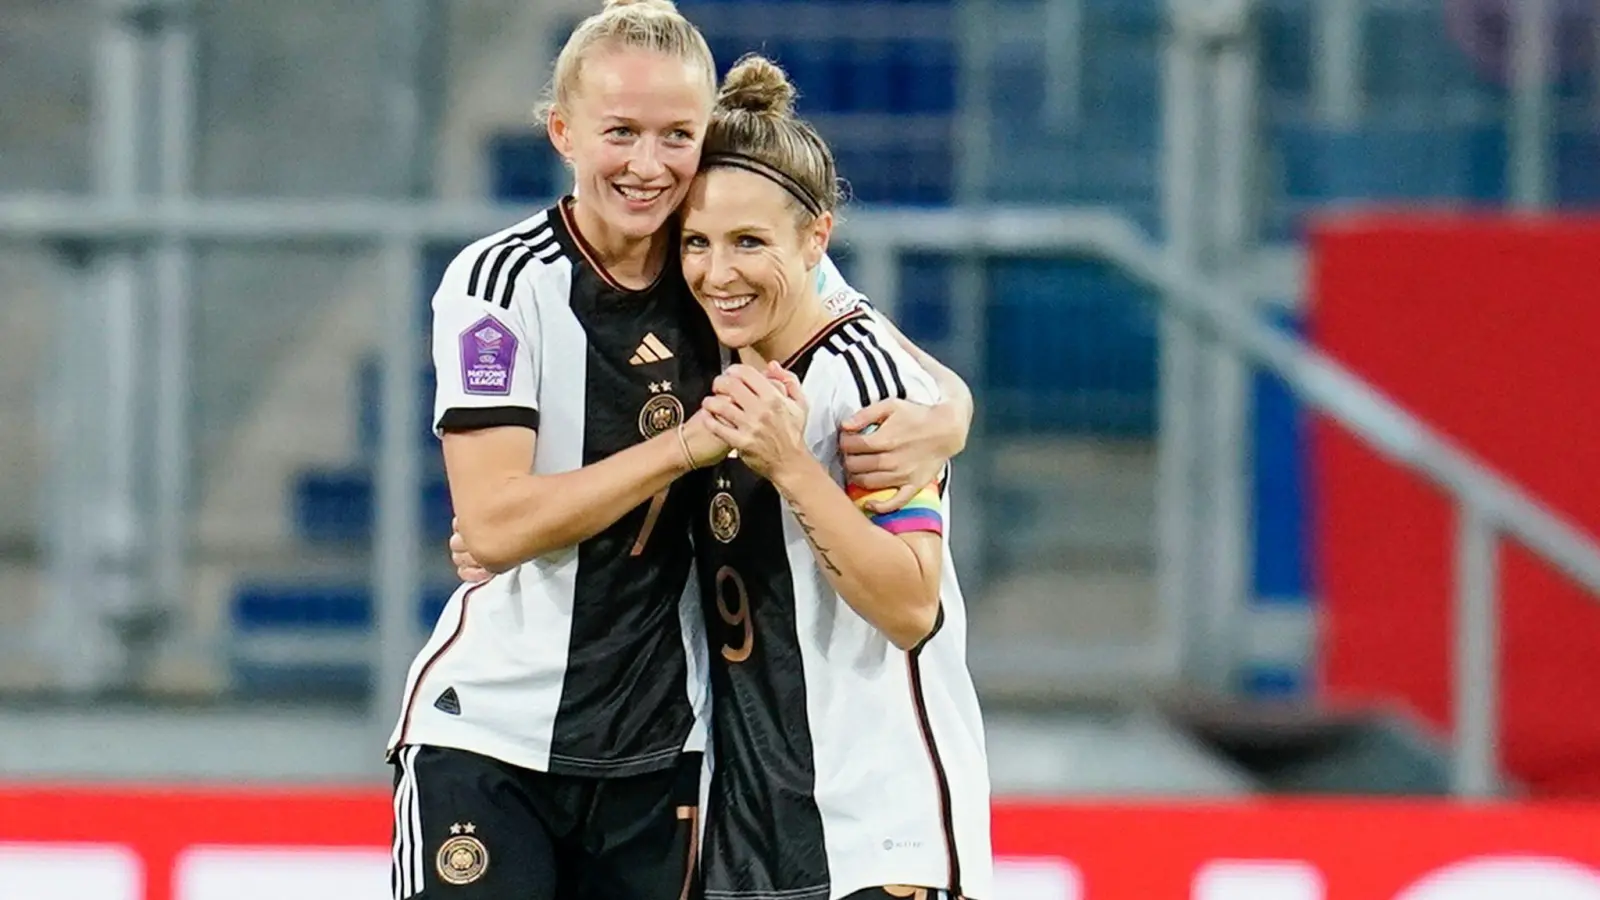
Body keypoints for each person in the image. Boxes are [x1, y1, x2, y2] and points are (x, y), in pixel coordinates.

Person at [389, 1, 973, 898]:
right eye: (620, 132)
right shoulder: (501, 282)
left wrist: (950, 415)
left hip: (671, 755)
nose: (648, 165)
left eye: (677, 136)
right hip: (496, 731)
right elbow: (495, 527)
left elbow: (869, 346)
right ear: (562, 132)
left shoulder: (726, 261)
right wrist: (688, 448)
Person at [682, 56, 992, 900]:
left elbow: (909, 605)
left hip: (876, 844)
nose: (719, 272)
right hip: (751, 835)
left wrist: (791, 466)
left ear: (816, 239)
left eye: (749, 242)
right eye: (696, 243)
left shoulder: (867, 384)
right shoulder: (722, 342)